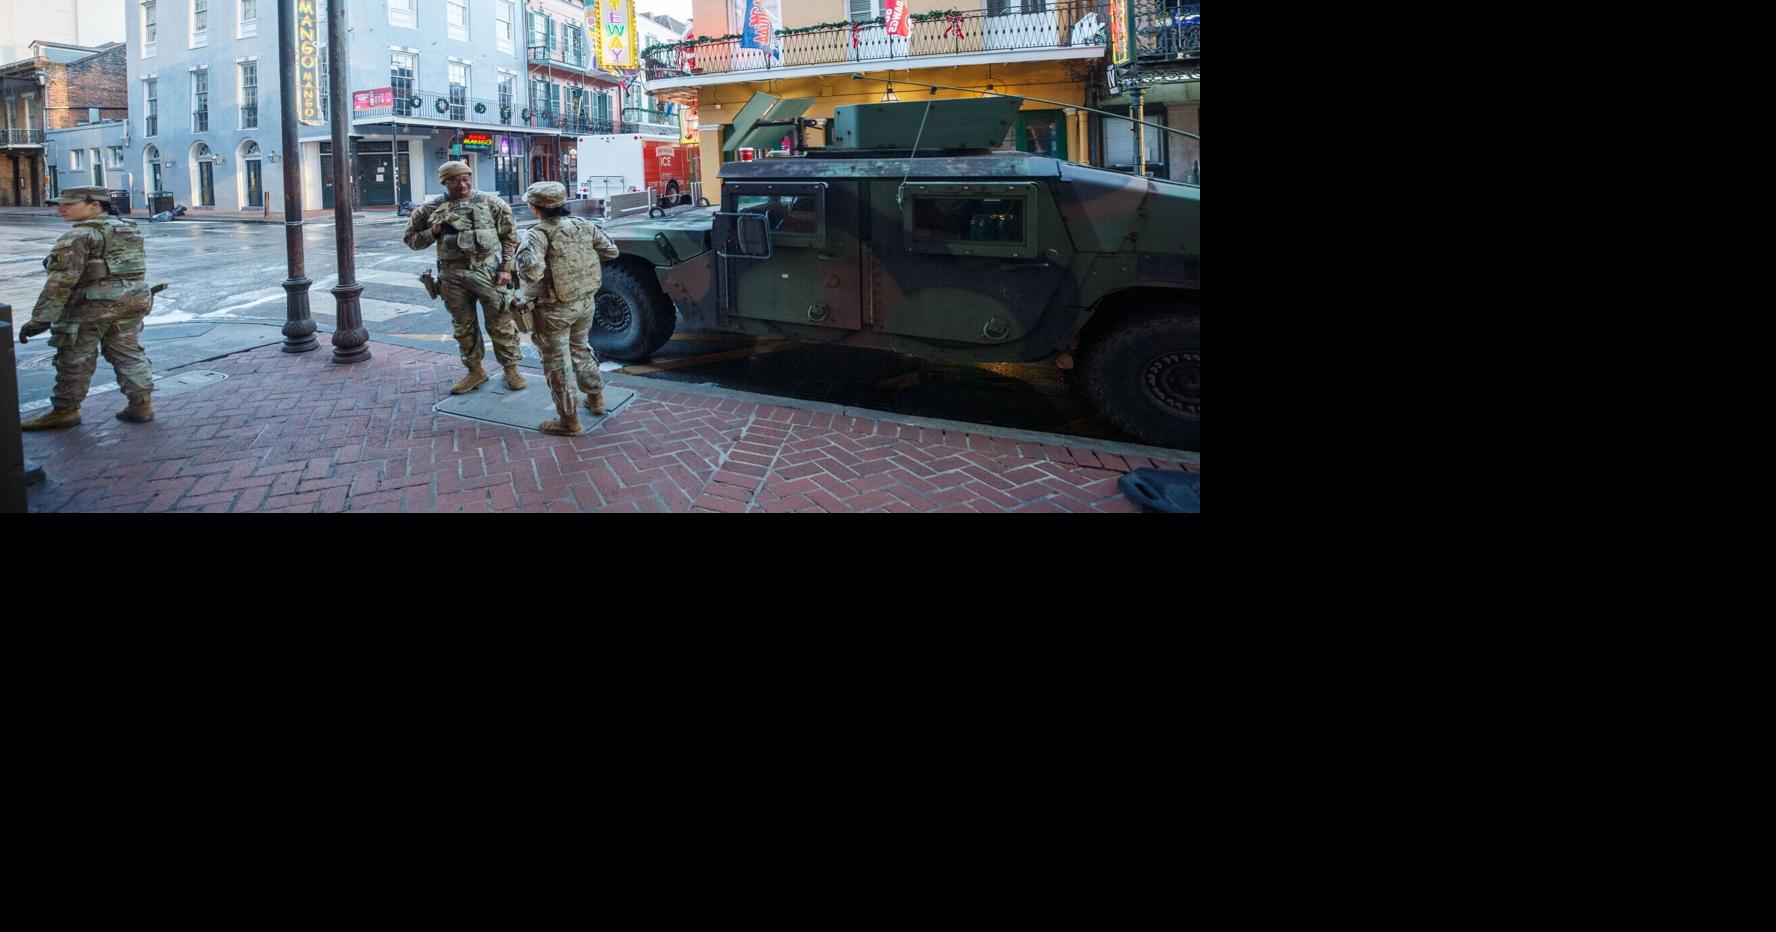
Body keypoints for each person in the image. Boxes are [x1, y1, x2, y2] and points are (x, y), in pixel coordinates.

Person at [18, 186, 158, 430]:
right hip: (133, 301)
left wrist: (40, 319)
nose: (62, 209)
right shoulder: (127, 227)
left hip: (92, 306)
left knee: (74, 357)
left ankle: (65, 411)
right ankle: (141, 404)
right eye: (60, 204)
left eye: (69, 204)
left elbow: (60, 282)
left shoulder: (79, 236)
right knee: (128, 353)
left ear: (95, 205)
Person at [404, 160, 526, 394]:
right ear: (445, 182)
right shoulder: (430, 209)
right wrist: (434, 231)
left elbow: (510, 237)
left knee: (501, 322)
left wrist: (506, 267)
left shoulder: (492, 203)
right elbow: (411, 240)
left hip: (489, 273)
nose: (461, 184)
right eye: (454, 181)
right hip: (452, 276)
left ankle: (511, 368)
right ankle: (475, 371)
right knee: (463, 327)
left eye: (465, 179)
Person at [512, 181, 620, 436]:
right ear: (562, 204)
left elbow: (531, 271)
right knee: (581, 349)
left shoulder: (537, 234)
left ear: (534, 207)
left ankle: (569, 422)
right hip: (584, 301)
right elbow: (611, 251)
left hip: (553, 309)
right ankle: (596, 399)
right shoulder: (584, 225)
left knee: (557, 363)